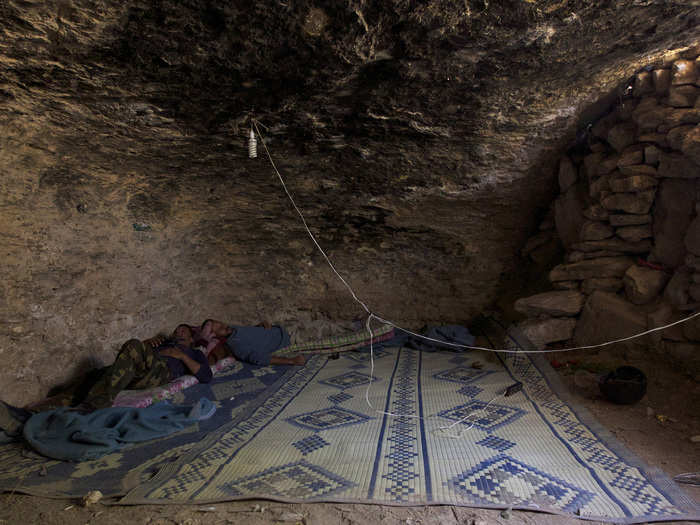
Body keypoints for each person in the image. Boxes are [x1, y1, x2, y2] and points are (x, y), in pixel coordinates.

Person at [28, 325, 214, 413]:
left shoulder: (193, 353)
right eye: (177, 329)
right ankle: (35, 410)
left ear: (191, 339)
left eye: (184, 331)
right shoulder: (161, 343)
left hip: (161, 371)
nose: (179, 331)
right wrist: (146, 345)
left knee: (132, 345)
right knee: (96, 375)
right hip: (139, 370)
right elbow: (133, 357)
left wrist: (181, 356)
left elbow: (206, 375)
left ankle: (95, 405)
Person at [200, 319, 305, 367]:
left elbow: (249, 336)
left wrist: (259, 326)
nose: (221, 326)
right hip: (287, 341)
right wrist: (291, 361)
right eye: (218, 329)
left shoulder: (233, 329)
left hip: (280, 330)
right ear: (216, 337)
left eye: (218, 323)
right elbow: (259, 359)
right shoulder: (236, 346)